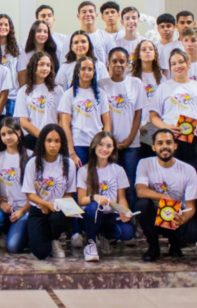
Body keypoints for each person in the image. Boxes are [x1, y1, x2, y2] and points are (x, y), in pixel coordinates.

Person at [135, 129, 197, 261]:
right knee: (141, 205)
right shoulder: (145, 163)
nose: (164, 146)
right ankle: (153, 247)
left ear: (175, 146)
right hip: (154, 214)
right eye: (160, 143)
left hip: (177, 214)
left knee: (192, 233)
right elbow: (140, 190)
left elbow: (191, 206)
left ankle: (175, 244)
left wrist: (183, 218)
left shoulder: (188, 170)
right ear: (153, 147)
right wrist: (163, 197)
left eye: (168, 142)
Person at [149, 50, 197, 174]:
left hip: (195, 141)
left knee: (196, 176)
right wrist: (166, 127)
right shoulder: (164, 87)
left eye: (181, 62)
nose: (178, 66)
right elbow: (153, 115)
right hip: (172, 140)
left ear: (188, 64)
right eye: (174, 64)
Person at [76, 132, 134, 261]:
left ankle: (101, 235)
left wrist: (125, 212)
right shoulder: (83, 171)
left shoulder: (118, 170)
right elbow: (81, 200)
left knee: (128, 232)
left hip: (110, 216)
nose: (104, 149)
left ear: (113, 149)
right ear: (94, 146)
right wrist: (94, 198)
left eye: (109, 146)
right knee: (94, 207)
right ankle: (90, 243)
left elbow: (122, 198)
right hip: (90, 215)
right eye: (101, 145)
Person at [23, 124, 76, 260]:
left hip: (59, 208)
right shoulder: (33, 163)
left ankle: (55, 239)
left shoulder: (68, 163)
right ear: (42, 142)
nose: (53, 145)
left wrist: (56, 205)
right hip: (39, 208)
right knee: (40, 253)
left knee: (58, 219)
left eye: (57, 141)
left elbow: (69, 192)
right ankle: (41, 236)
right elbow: (30, 194)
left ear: (62, 143)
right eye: (49, 141)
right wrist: (45, 204)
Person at [100, 47, 144, 209]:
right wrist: (110, 141)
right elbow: (101, 115)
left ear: (128, 63)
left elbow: (138, 114)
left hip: (132, 144)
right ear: (108, 64)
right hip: (109, 145)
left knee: (130, 182)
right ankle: (115, 215)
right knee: (112, 182)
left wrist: (130, 138)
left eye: (122, 61)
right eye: (114, 61)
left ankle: (131, 217)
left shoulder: (135, 83)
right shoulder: (102, 84)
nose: (118, 65)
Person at [0, 117, 31, 254]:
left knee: (13, 247)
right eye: (3, 134)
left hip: (26, 208)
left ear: (19, 132)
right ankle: (8, 230)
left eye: (10, 133)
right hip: (6, 207)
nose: (7, 137)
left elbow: (37, 191)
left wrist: (23, 210)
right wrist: (1, 203)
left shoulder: (30, 156)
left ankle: (23, 232)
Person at [59, 56, 111, 166]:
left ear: (94, 72)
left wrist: (105, 145)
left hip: (97, 144)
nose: (86, 72)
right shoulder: (69, 94)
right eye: (83, 69)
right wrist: (71, 152)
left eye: (90, 69)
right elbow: (65, 125)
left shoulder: (101, 94)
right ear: (77, 71)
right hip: (78, 144)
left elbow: (107, 124)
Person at [17, 52, 64, 151]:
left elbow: (61, 118)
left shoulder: (57, 90)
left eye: (48, 65)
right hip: (32, 138)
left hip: (54, 139)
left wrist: (54, 137)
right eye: (41, 64)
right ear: (33, 67)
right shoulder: (23, 91)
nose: (45, 68)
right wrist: (42, 137)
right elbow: (23, 122)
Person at [131, 39, 162, 154]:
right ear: (138, 55)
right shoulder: (131, 78)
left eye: (150, 49)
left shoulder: (161, 78)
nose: (147, 52)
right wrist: (137, 125)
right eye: (143, 50)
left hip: (157, 127)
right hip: (137, 129)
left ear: (155, 54)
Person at [0, 14, 22, 115]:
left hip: (12, 96)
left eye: (6, 25)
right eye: (0, 25)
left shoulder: (17, 49)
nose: (3, 27)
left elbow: (21, 73)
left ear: (10, 28)